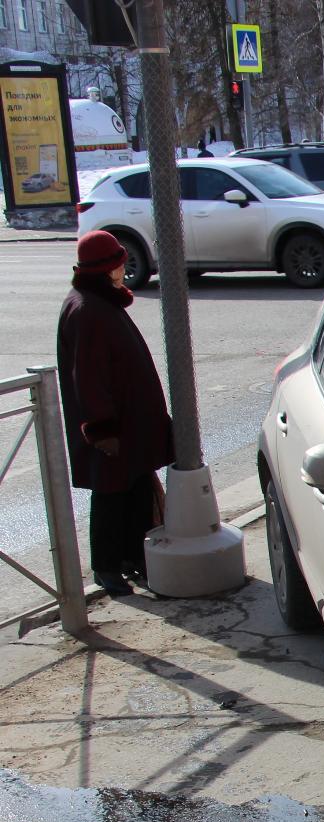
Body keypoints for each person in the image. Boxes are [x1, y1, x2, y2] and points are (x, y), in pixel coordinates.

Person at [56, 230, 173, 597]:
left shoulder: (99, 303)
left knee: (134, 489)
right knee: (110, 493)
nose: (125, 269)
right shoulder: (88, 309)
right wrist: (103, 430)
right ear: (107, 270)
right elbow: (88, 377)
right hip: (113, 428)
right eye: (119, 264)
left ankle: (132, 557)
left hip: (129, 423)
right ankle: (107, 567)